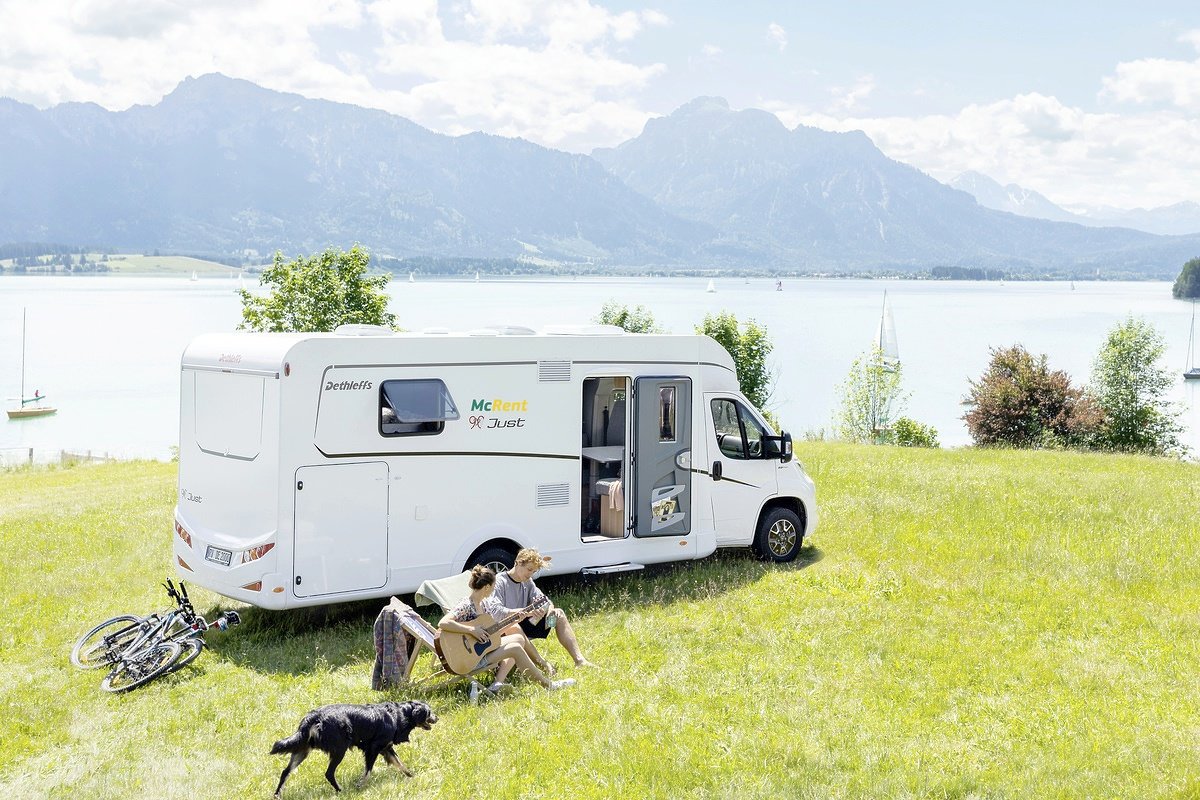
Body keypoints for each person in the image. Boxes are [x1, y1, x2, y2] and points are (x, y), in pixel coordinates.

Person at [437, 565, 574, 696]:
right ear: (487, 587)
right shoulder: (466, 605)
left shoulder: (484, 605)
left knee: (518, 638)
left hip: (482, 650)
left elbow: (493, 634)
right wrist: (472, 630)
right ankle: (548, 685)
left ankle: (498, 684)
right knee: (515, 648)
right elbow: (443, 623)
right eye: (493, 587)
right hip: (470, 659)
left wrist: (517, 619)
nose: (493, 590)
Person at [493, 548, 594, 668]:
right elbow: (495, 611)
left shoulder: (528, 581)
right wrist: (524, 612)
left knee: (558, 614)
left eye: (534, 571)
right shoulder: (499, 581)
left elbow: (544, 600)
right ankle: (542, 664)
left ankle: (580, 661)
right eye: (529, 569)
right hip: (505, 629)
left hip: (527, 625)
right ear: (518, 562)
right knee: (514, 626)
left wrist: (549, 609)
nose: (530, 574)